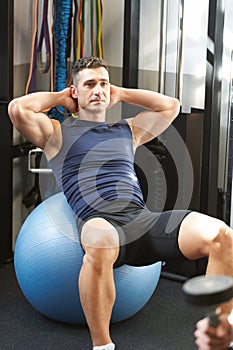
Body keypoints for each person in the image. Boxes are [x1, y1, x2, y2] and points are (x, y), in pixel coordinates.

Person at [8, 56, 233, 350]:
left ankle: (221, 335)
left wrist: (122, 93)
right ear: (75, 92)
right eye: (89, 84)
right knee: (100, 241)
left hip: (143, 220)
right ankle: (103, 346)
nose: (99, 90)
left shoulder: (128, 130)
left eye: (103, 83)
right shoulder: (57, 134)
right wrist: (63, 98)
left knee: (222, 235)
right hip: (100, 222)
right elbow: (17, 108)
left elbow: (171, 106)